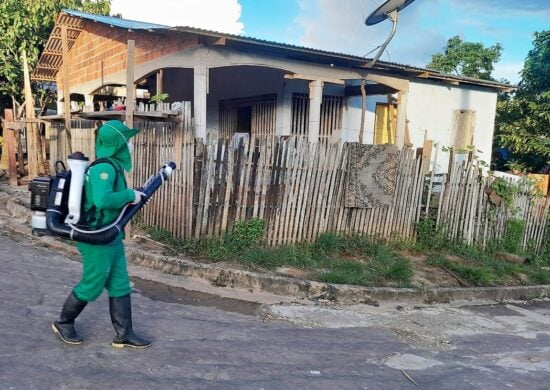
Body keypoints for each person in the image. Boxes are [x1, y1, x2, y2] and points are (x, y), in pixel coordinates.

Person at [51, 120, 151, 349]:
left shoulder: (114, 166)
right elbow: (102, 200)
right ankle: (64, 322)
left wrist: (131, 195)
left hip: (111, 236)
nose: (130, 144)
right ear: (118, 143)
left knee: (120, 284)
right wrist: (129, 194)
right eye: (126, 140)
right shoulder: (104, 169)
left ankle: (124, 333)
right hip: (95, 236)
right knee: (93, 283)